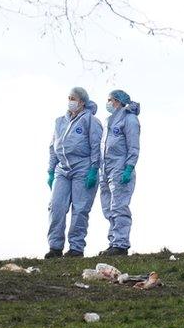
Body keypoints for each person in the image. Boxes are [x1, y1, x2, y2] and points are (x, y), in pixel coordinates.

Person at [46, 87, 103, 258]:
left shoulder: (91, 121)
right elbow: (52, 147)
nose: (70, 101)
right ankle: (55, 247)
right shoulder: (59, 122)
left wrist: (94, 169)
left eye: (74, 98)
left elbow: (96, 147)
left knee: (80, 209)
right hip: (62, 170)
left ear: (82, 102)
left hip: (83, 168)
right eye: (69, 97)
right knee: (56, 207)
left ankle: (76, 248)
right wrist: (50, 170)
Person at [98, 89, 141, 256]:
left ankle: (121, 244)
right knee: (108, 208)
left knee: (119, 207)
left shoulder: (129, 119)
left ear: (119, 101)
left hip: (121, 169)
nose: (108, 103)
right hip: (106, 170)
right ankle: (113, 242)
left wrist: (129, 167)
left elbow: (133, 146)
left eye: (111, 100)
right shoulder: (109, 121)